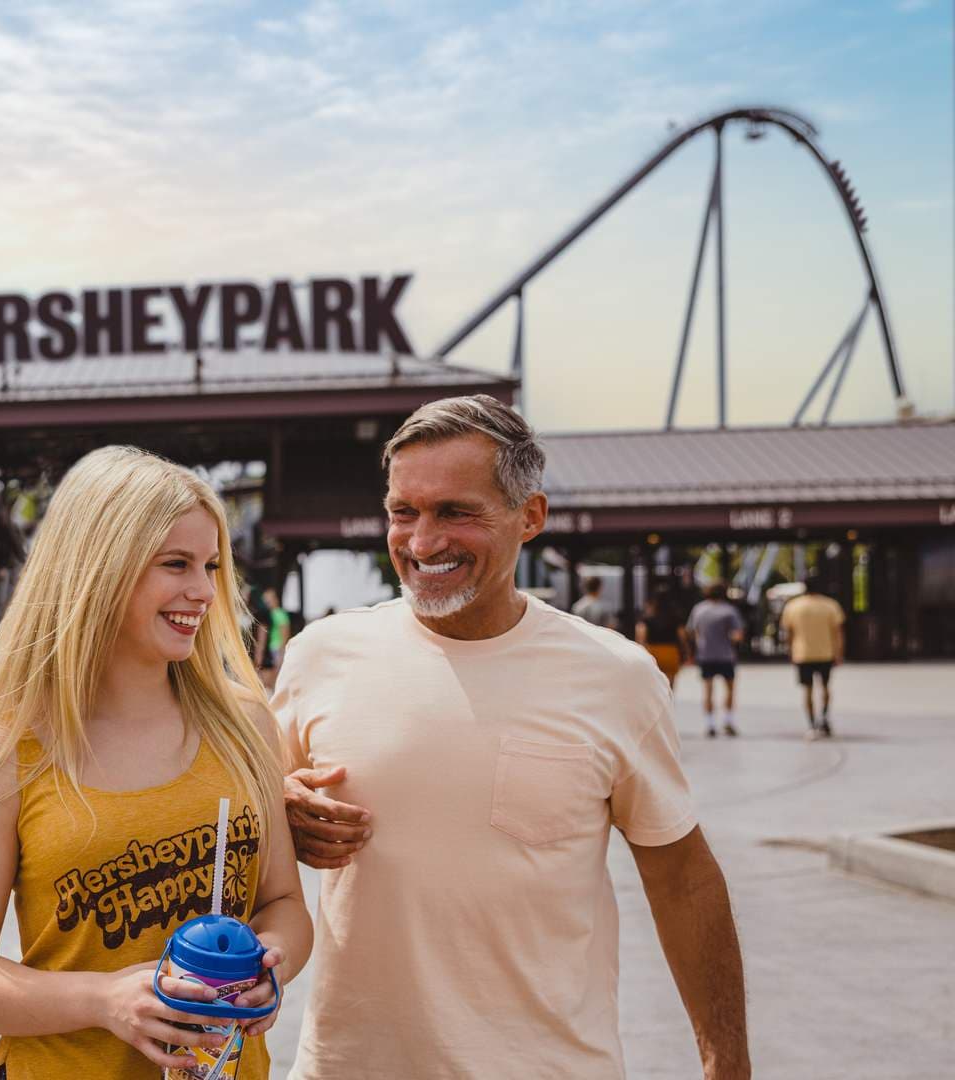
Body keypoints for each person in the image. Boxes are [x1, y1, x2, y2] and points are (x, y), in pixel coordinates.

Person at [274, 395, 748, 1079]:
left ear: (530, 517)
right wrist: (283, 809)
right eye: (403, 511)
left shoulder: (615, 676)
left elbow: (683, 880)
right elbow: (243, 831)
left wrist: (726, 1063)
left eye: (456, 512)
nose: (422, 541)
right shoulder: (321, 656)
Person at [0, 446, 312, 1079]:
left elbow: (284, 902)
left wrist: (267, 962)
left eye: (211, 565)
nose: (203, 591)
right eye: (176, 564)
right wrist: (103, 1001)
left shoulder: (247, 723)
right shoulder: (13, 744)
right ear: (99, 570)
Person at [780, 576, 847, 739]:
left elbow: (788, 632)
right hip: (826, 652)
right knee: (825, 687)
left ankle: (811, 724)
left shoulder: (793, 606)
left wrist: (790, 650)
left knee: (807, 689)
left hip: (802, 653)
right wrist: (839, 653)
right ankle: (824, 717)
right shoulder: (830, 605)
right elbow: (838, 632)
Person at [686, 581, 747, 738]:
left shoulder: (698, 609)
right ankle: (728, 721)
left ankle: (710, 723)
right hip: (726, 655)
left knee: (708, 690)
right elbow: (737, 635)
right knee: (730, 689)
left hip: (705, 654)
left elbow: (692, 631)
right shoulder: (729, 611)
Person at [636, 593, 689, 690]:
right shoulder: (675, 619)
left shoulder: (647, 619)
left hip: (653, 653)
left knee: (655, 685)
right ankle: (668, 703)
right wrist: (686, 651)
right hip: (671, 652)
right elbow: (682, 637)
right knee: (670, 685)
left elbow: (641, 637)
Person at [263, 587, 292, 669]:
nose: (267, 603)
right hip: (273, 647)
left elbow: (285, 631)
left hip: (278, 647)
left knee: (278, 670)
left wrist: (282, 648)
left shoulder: (279, 614)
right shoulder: (271, 614)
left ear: (275, 599)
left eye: (268, 601)